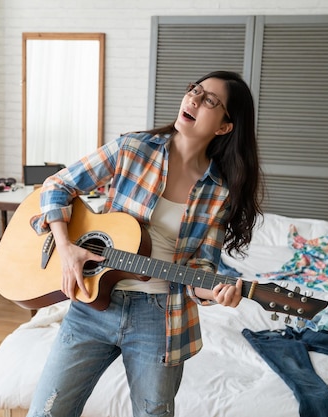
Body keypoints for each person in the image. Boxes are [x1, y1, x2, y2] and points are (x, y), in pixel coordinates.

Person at [27, 70, 263, 417]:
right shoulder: (132, 149)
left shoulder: (220, 193)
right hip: (92, 305)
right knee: (46, 412)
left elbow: (201, 268)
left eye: (209, 100)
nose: (194, 100)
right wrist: (65, 247)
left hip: (161, 318)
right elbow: (56, 186)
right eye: (194, 91)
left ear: (225, 126)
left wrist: (213, 292)